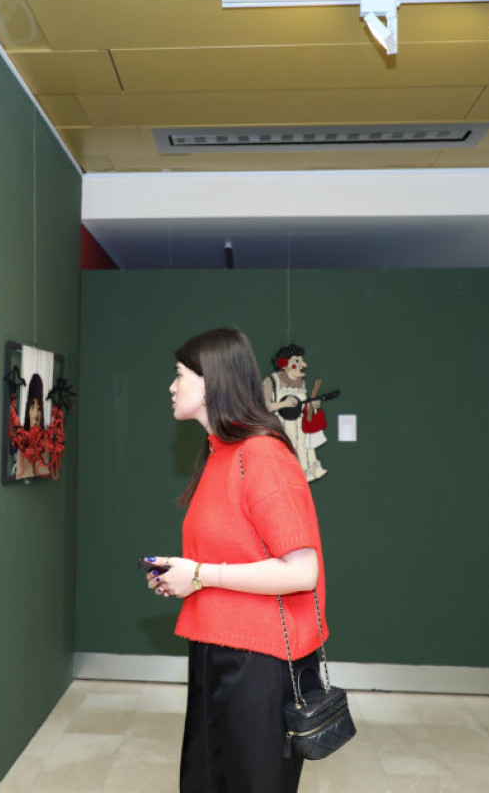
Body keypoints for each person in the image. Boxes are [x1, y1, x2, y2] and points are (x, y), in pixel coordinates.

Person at [145, 327, 328, 793]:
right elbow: (229, 553)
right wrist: (183, 576)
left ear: (211, 381)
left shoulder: (262, 455)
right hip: (214, 650)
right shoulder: (219, 454)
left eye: (179, 375)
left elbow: (302, 571)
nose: (172, 386)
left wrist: (200, 575)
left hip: (259, 663)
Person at [263, 344, 326, 482]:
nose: (303, 365)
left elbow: (301, 407)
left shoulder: (301, 383)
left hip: (300, 433)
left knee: (300, 474)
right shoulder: (272, 382)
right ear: (284, 363)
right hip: (282, 432)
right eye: (297, 361)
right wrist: (283, 404)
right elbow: (263, 407)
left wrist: (312, 406)